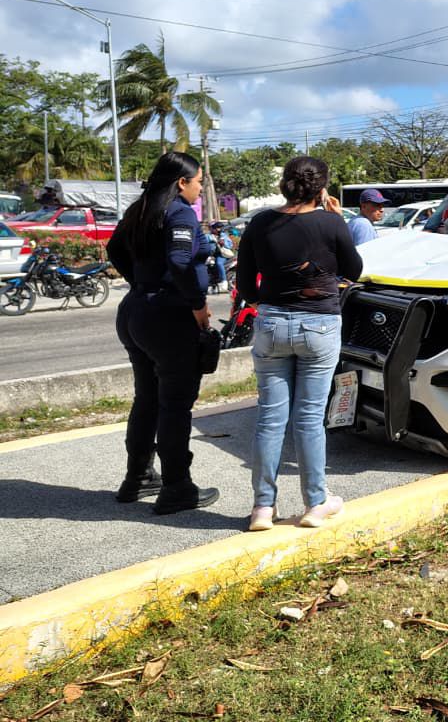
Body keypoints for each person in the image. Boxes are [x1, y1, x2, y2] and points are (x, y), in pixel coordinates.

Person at [238, 156, 363, 531]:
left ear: (284, 184)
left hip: (272, 323)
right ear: (321, 187)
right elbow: (352, 270)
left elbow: (245, 285)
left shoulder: (260, 222)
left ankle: (262, 508)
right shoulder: (330, 221)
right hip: (320, 326)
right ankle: (316, 502)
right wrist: (332, 217)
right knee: (309, 419)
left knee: (270, 419)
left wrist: (271, 306)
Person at [105, 151, 219, 514]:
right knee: (174, 405)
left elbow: (114, 249)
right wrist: (197, 304)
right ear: (181, 182)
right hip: (168, 316)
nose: (201, 189)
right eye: (199, 181)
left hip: (136, 312)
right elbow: (182, 261)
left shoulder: (141, 208)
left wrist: (142, 282)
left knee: (148, 399)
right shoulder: (180, 211)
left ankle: (138, 478)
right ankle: (177, 487)